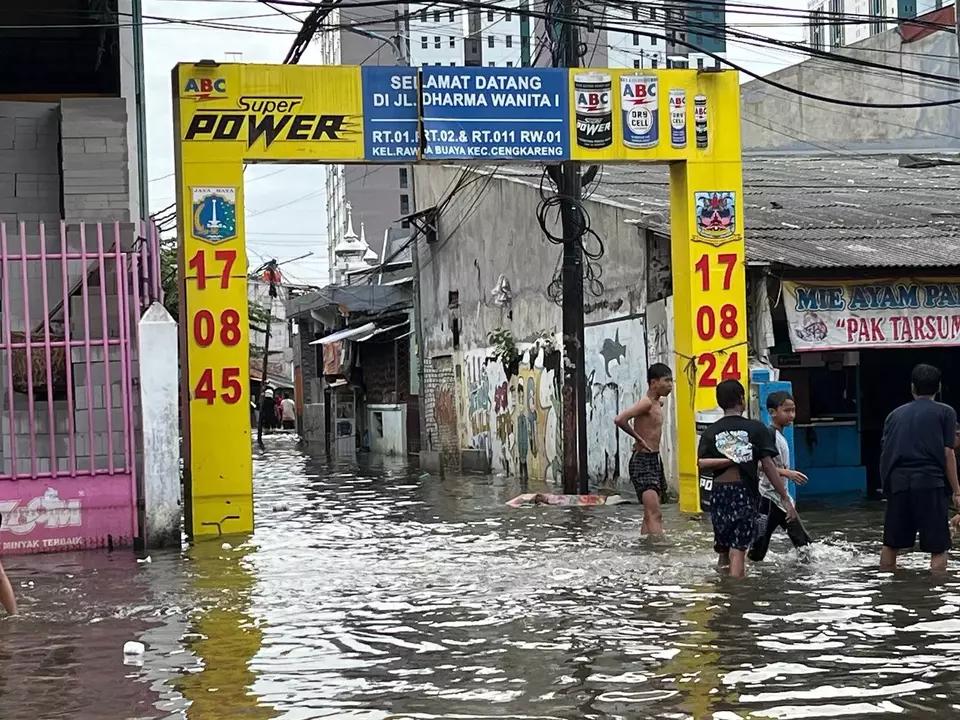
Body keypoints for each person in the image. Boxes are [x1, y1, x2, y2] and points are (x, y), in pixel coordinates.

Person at [697, 379, 796, 578]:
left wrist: (727, 460)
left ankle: (723, 592)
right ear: (742, 400)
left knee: (723, 549)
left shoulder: (711, 431)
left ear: (719, 402)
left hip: (719, 494)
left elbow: (701, 463)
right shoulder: (756, 429)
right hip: (743, 492)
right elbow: (768, 466)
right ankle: (738, 598)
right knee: (738, 551)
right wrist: (785, 497)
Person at [879, 363, 959, 571]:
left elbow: (885, 453)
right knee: (939, 547)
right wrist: (957, 491)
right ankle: (935, 593)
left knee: (891, 544)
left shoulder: (894, 415)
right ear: (939, 387)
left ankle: (889, 588)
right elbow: (948, 453)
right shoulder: (946, 413)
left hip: (899, 482)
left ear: (912, 387)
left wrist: (887, 485)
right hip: (930, 482)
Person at [748, 391, 812, 562]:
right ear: (772, 412)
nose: (791, 415)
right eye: (786, 411)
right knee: (757, 551)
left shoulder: (780, 436)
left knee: (804, 545)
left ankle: (806, 575)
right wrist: (787, 473)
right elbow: (761, 465)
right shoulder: (770, 435)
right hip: (768, 499)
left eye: (793, 410)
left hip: (781, 499)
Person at [614, 363, 674, 535]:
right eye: (667, 380)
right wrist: (639, 438)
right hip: (642, 461)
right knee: (655, 513)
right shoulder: (646, 403)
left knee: (650, 513)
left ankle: (647, 550)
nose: (670, 385)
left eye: (671, 381)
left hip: (655, 460)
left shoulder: (657, 403)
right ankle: (660, 552)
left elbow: (658, 404)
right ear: (654, 383)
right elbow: (620, 419)